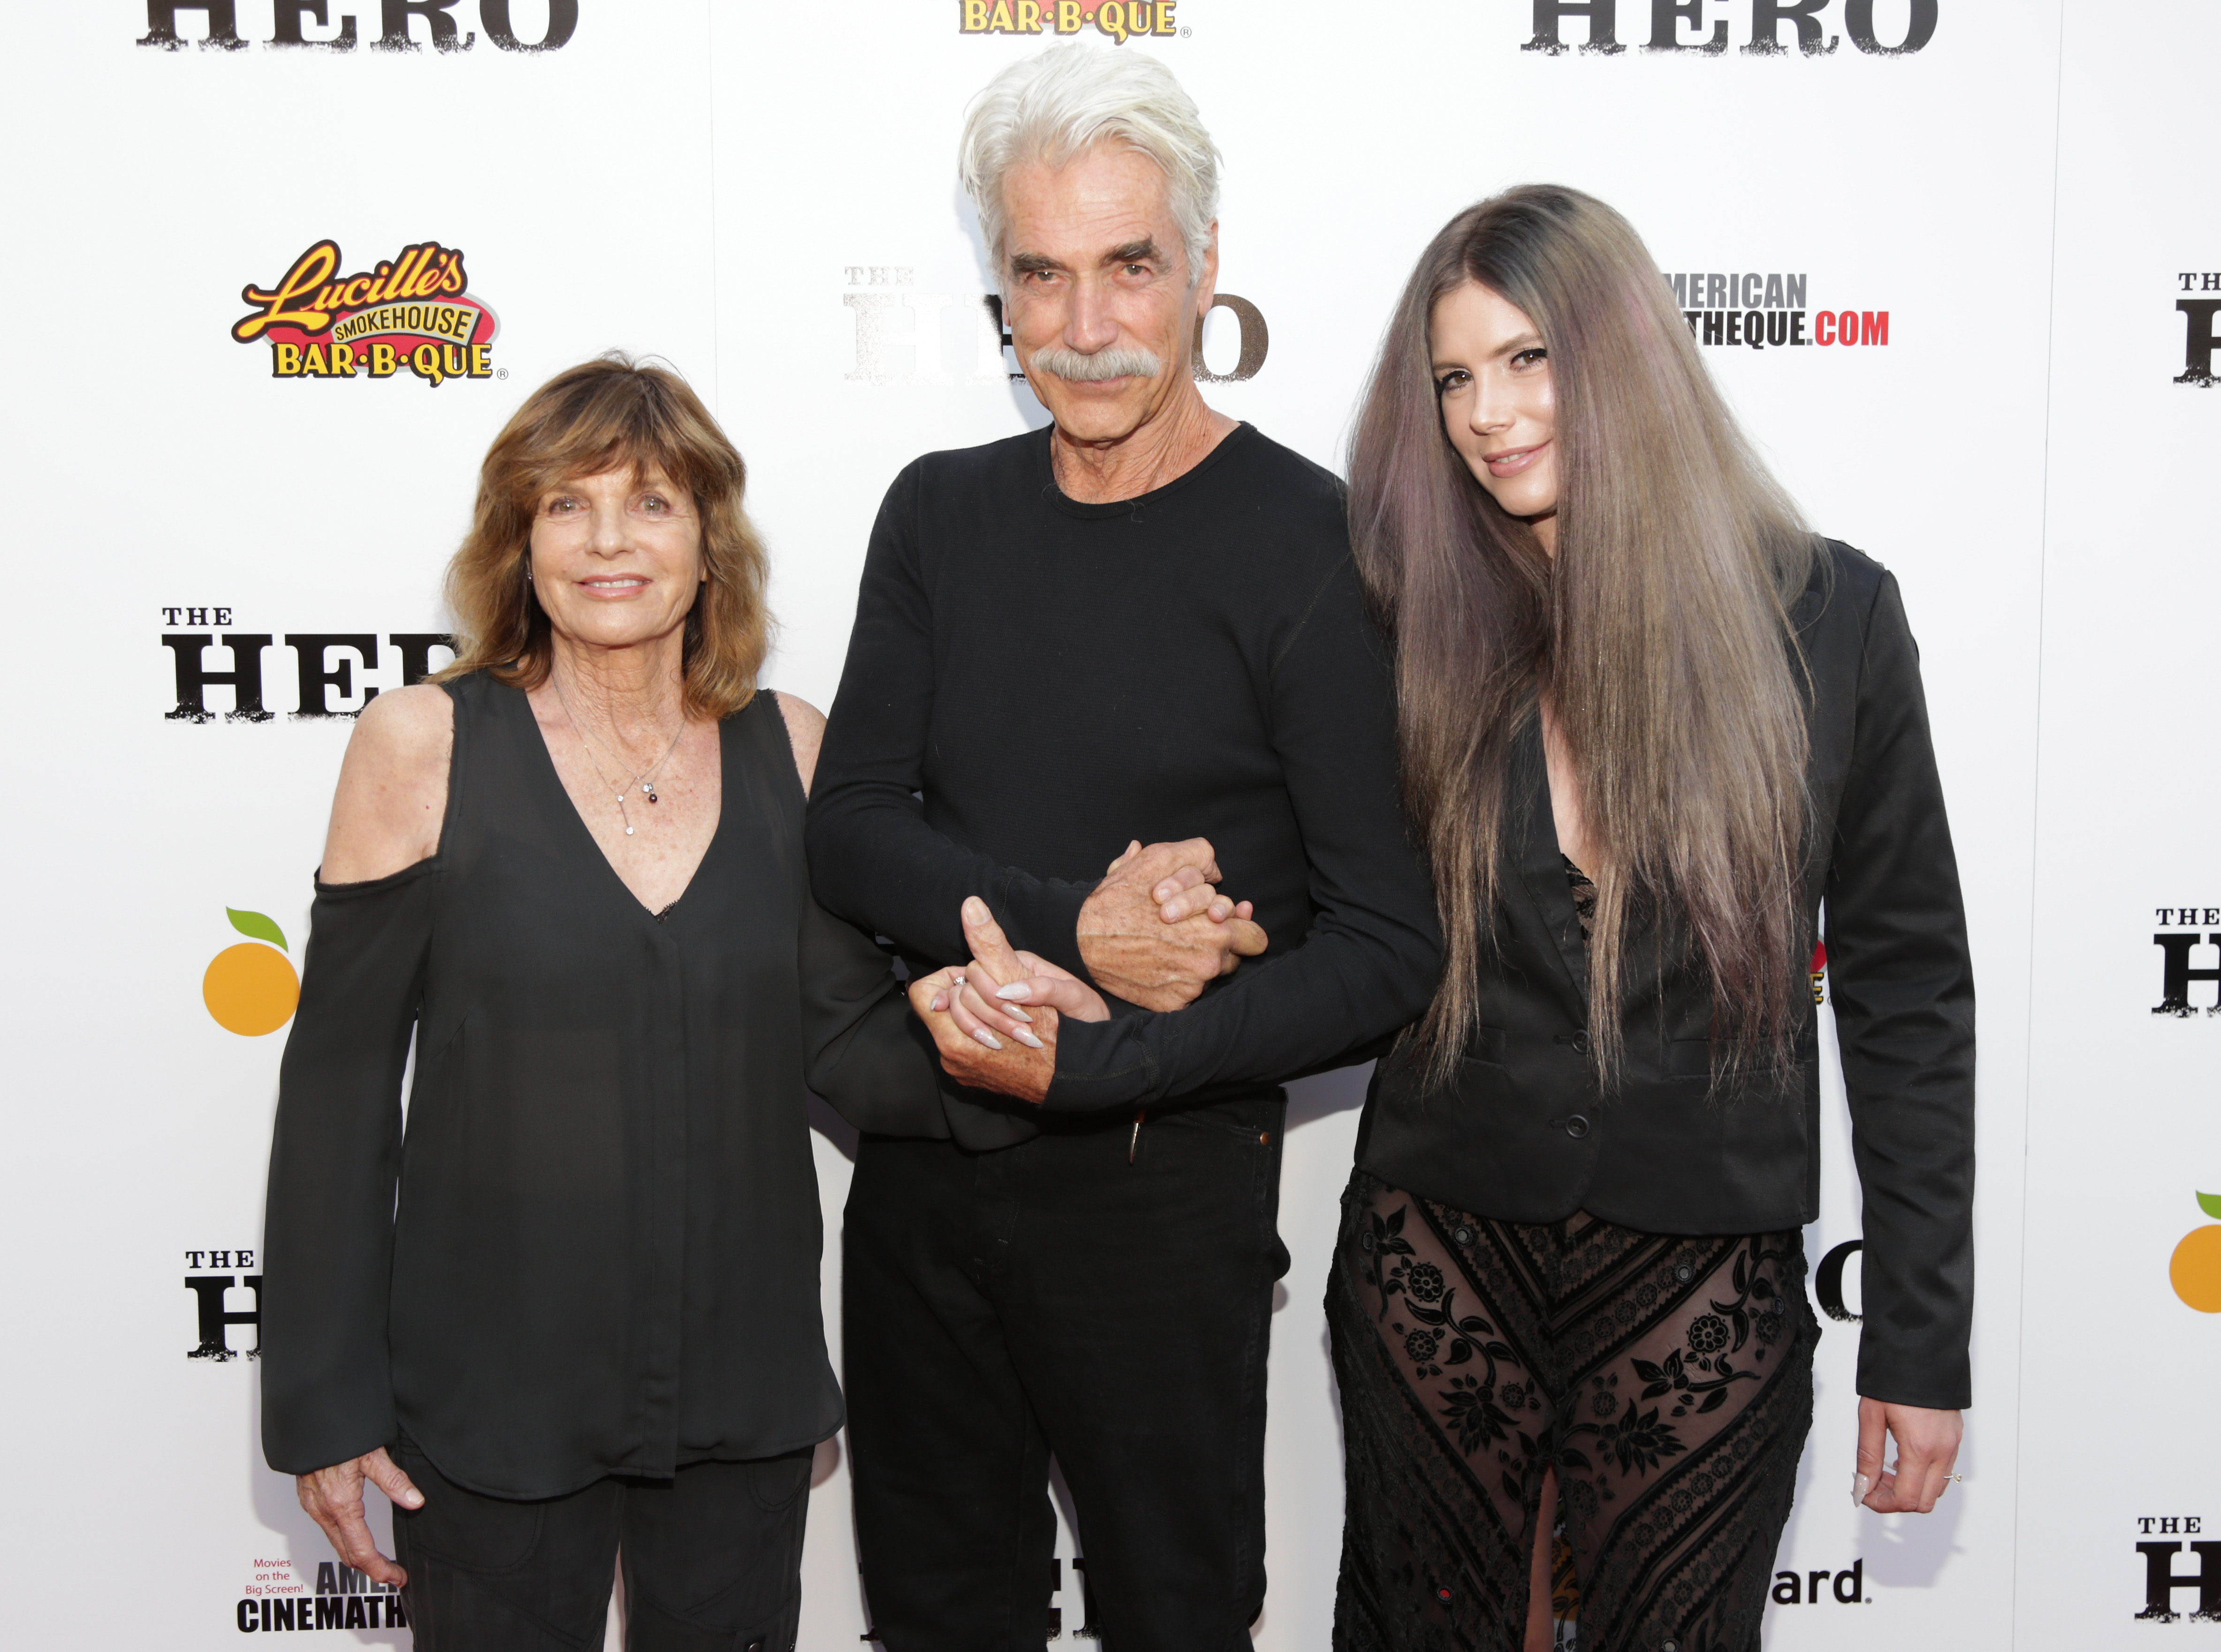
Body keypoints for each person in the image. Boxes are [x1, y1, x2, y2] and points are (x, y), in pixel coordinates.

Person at [804, 43, 1441, 1652]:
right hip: (927, 1181)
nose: (1085, 328)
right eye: (1042, 273)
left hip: (1167, 1197)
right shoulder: (938, 515)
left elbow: (1386, 945)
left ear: (1205, 269)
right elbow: (854, 832)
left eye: (1129, 267)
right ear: (999, 286)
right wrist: (1081, 931)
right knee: (939, 1620)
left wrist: (1112, 1063)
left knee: (1176, 1621)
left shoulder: (1314, 542)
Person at [1326, 185, 1975, 1652]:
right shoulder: (1398, 611)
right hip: (1442, 1237)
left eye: (1528, 358)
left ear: (1620, 357)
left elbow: (1909, 991)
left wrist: (1922, 1339)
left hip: (1706, 1260)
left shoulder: (1829, 619)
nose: (1487, 413)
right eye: (1455, 375)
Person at [258, 355, 940, 1652]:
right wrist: (326, 1404)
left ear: (710, 542)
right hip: (488, 1396)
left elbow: (856, 1042)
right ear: (519, 541)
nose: (610, 540)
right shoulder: (424, 743)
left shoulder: (792, 745)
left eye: (653, 502)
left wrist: (1053, 1040)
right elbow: (341, 1086)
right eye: (567, 504)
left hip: (741, 1382)